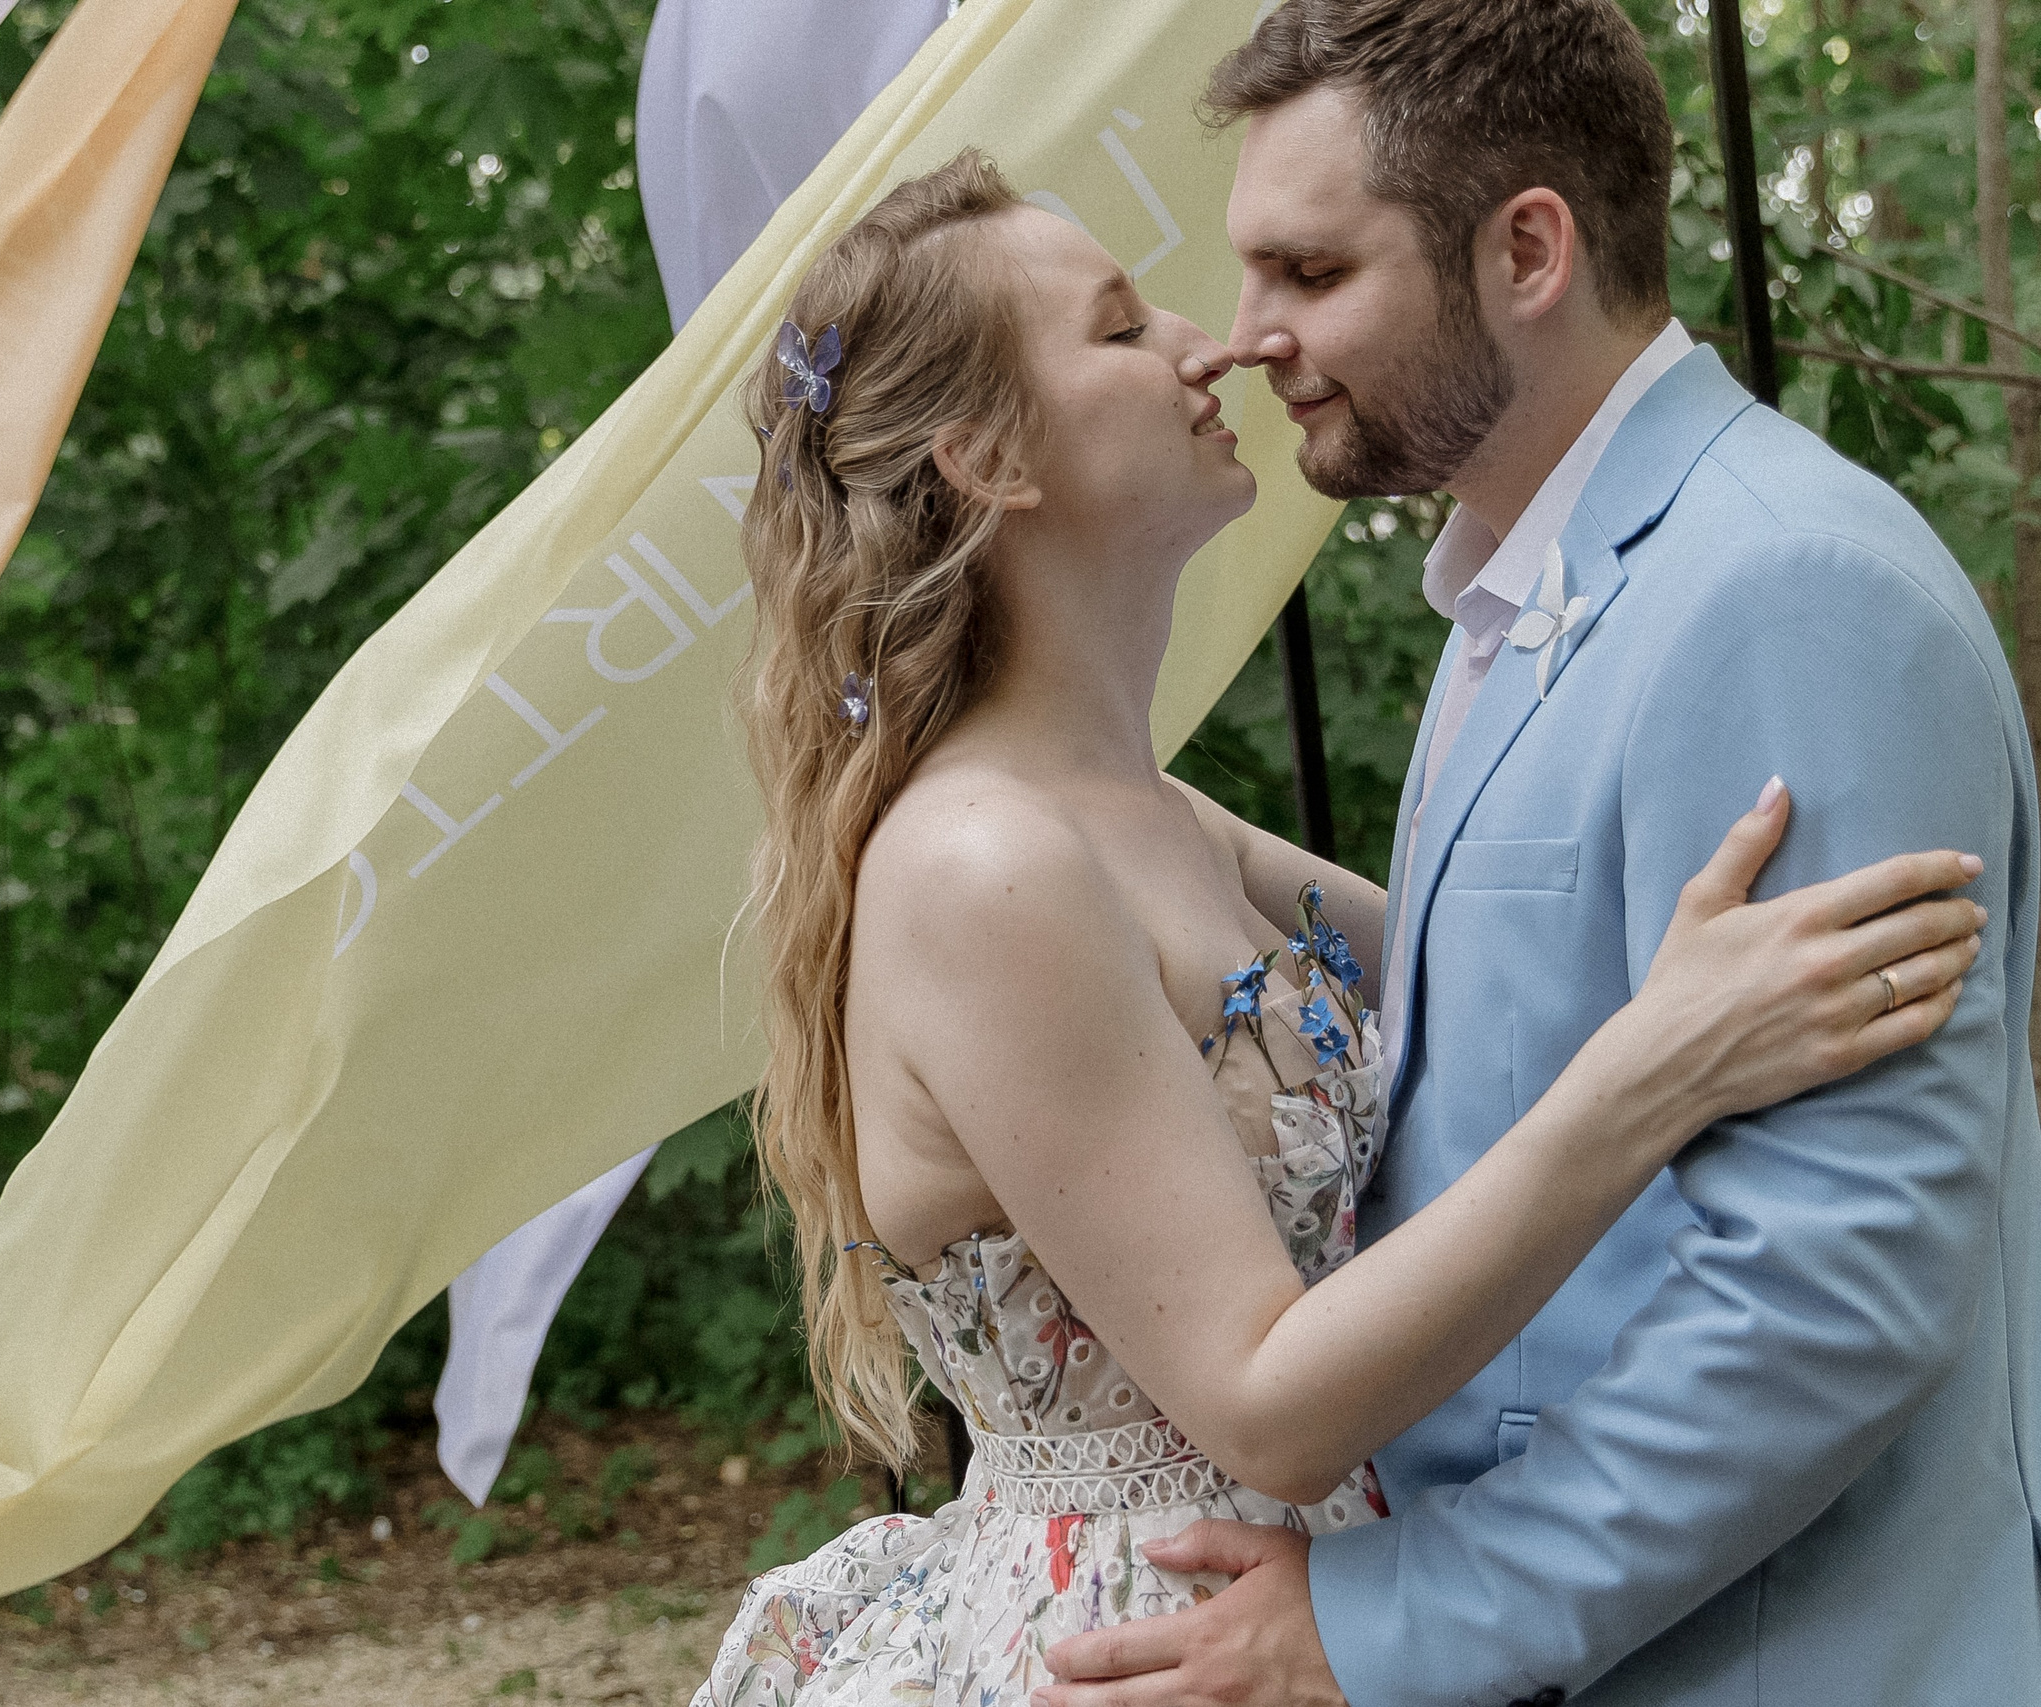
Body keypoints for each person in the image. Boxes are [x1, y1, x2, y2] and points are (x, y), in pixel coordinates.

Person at [687, 146, 1987, 1707]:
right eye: (1116, 328)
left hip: (1340, 1596)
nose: (1206, 342)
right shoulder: (982, 866)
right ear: (988, 460)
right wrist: (1659, 1073)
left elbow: (1513, 986)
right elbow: (1264, 1401)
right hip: (1158, 1635)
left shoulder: (1168, 821)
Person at [1035, 4, 2041, 1704]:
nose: (1247, 338)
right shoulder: (1526, 587)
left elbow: (1828, 1296)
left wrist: (1377, 1623)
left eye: (1311, 272)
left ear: (1526, 250)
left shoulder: (1785, 591)